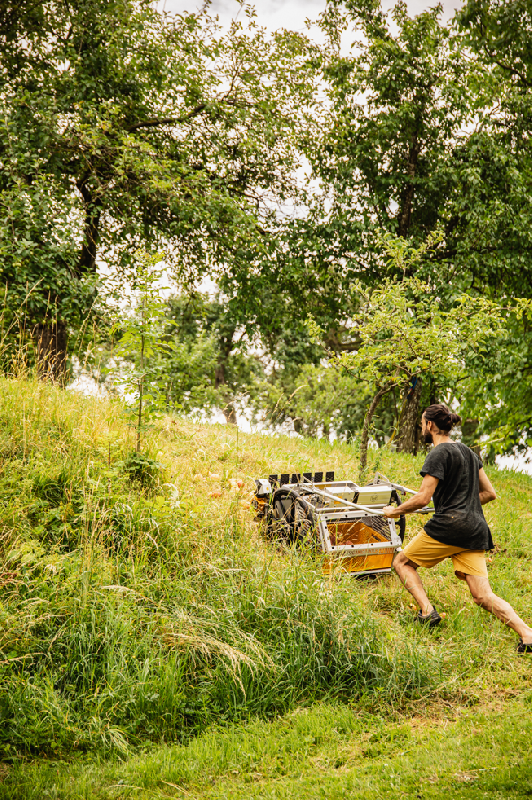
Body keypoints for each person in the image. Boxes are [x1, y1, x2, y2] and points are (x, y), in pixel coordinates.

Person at [383, 403, 532, 654]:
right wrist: (463, 503)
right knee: (482, 595)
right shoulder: (469, 453)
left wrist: (394, 511)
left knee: (402, 562)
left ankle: (427, 611)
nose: (421, 426)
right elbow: (489, 493)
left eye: (422, 422)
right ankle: (528, 634)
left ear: (430, 424)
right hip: (475, 529)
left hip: (449, 527)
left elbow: (423, 498)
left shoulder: (438, 453)